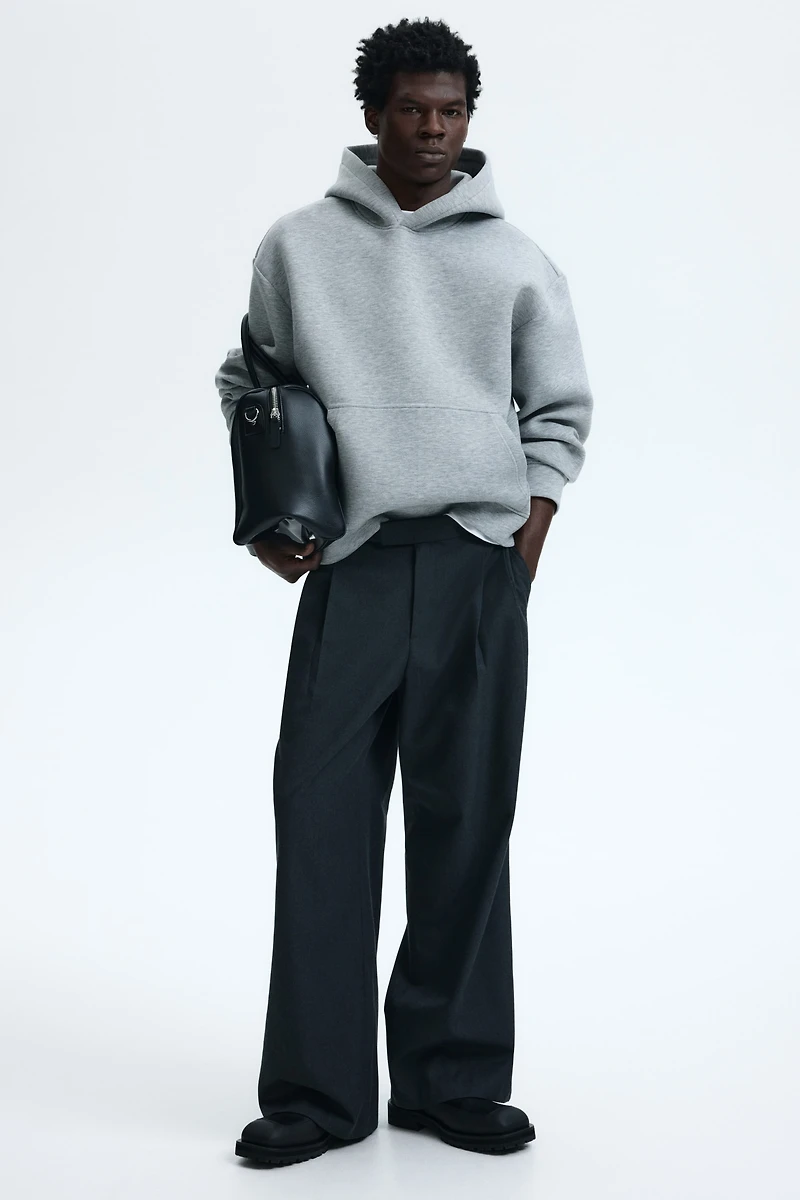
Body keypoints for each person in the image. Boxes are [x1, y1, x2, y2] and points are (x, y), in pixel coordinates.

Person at [215, 16, 593, 1167]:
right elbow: (251, 380)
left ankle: (451, 1081)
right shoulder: (298, 247)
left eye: (451, 111)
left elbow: (557, 413)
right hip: (354, 569)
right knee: (318, 824)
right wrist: (273, 516)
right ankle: (317, 1096)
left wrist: (521, 540)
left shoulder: (516, 260)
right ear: (373, 114)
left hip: (474, 565)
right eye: (412, 109)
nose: (432, 129)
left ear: (467, 120)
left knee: (466, 828)